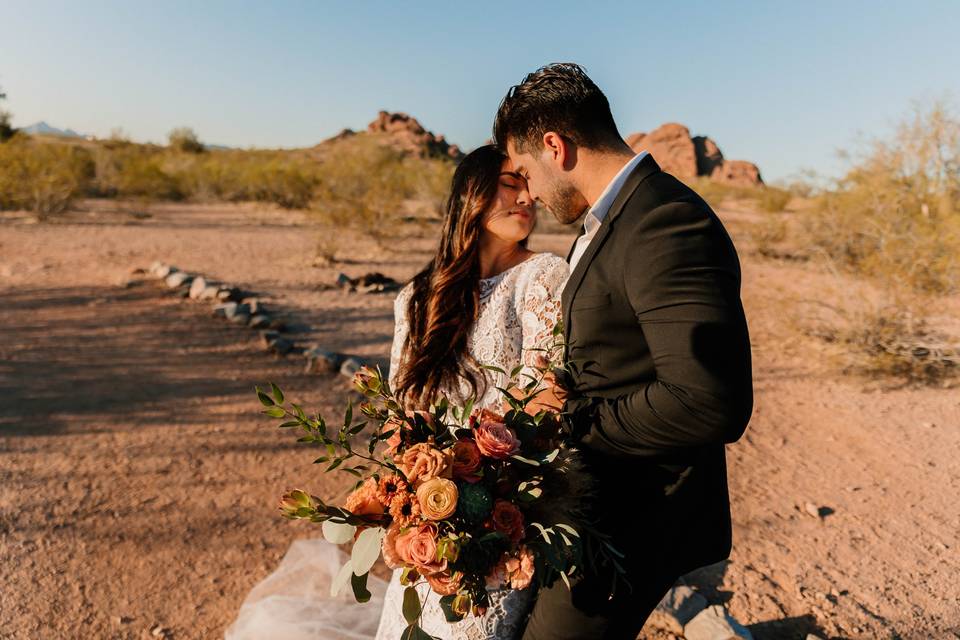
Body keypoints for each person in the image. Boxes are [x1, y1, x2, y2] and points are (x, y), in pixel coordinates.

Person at [226, 144, 569, 640]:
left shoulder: (541, 276)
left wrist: (480, 488)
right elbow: (402, 414)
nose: (527, 197)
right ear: (471, 195)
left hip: (497, 518)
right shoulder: (416, 297)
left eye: (529, 185)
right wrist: (412, 490)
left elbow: (547, 397)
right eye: (509, 183)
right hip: (428, 520)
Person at [492, 63, 754, 639]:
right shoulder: (614, 217)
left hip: (637, 518)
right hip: (599, 504)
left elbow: (709, 402)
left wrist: (567, 422)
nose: (528, 191)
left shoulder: (663, 221)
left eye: (524, 172)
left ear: (555, 147)